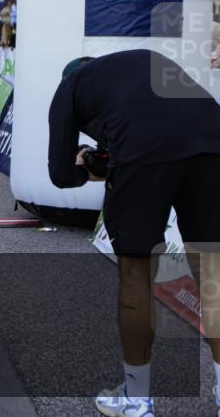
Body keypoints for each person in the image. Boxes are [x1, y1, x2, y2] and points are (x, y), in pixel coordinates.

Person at [47, 50, 220, 417]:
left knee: (136, 271)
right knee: (212, 272)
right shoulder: (135, 64)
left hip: (144, 147)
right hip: (211, 135)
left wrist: (90, 168)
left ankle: (137, 400)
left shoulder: (69, 87)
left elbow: (60, 174)